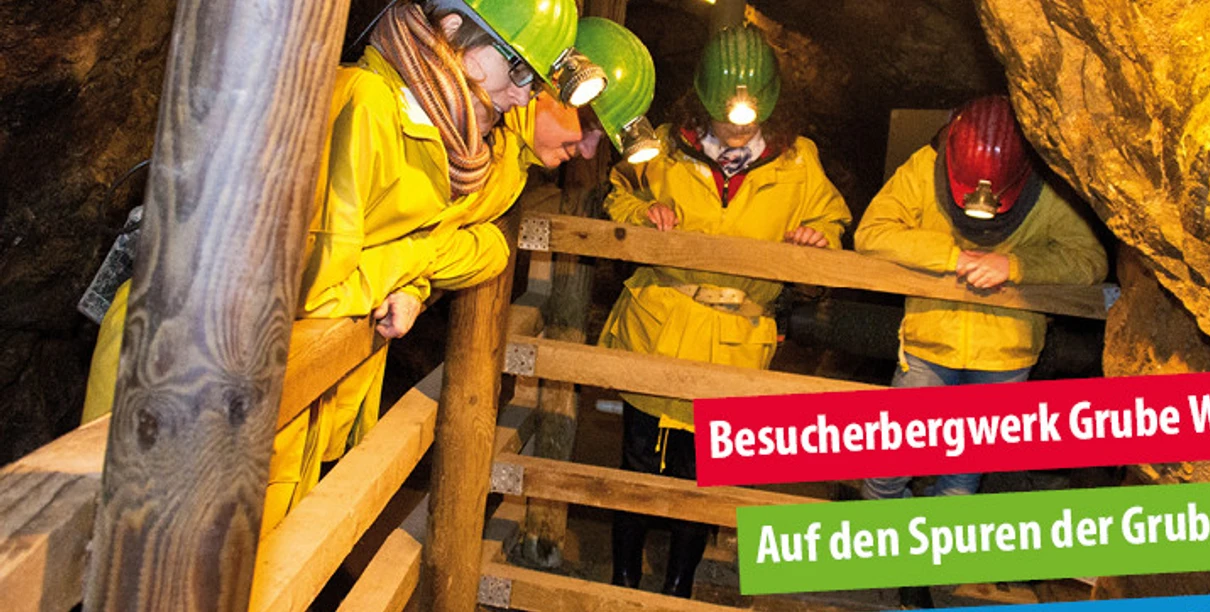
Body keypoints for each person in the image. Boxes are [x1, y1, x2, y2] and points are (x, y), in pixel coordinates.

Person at [80, 0, 590, 536]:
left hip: (285, 398)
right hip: (188, 385)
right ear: (450, 27)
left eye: (534, 79)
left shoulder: (450, 145)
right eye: (517, 68)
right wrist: (410, 267)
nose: (523, 95)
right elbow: (310, 286)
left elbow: (477, 248)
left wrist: (409, 277)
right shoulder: (368, 106)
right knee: (148, 563)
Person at [597, 25, 852, 598]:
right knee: (636, 463)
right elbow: (617, 192)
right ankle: (622, 581)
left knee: (703, 476)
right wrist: (643, 214)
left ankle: (679, 587)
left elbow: (833, 221)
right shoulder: (661, 148)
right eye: (725, 114)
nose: (736, 126)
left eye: (748, 115)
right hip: (657, 326)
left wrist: (818, 239)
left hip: (734, 340)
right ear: (702, 99)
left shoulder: (797, 163)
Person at [854, 94, 1106, 608]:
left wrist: (1014, 267)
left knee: (959, 482)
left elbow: (1089, 259)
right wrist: (952, 257)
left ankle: (917, 579)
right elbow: (872, 232)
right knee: (884, 471)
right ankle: (907, 555)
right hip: (929, 345)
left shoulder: (1046, 186)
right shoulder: (924, 167)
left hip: (1005, 358)